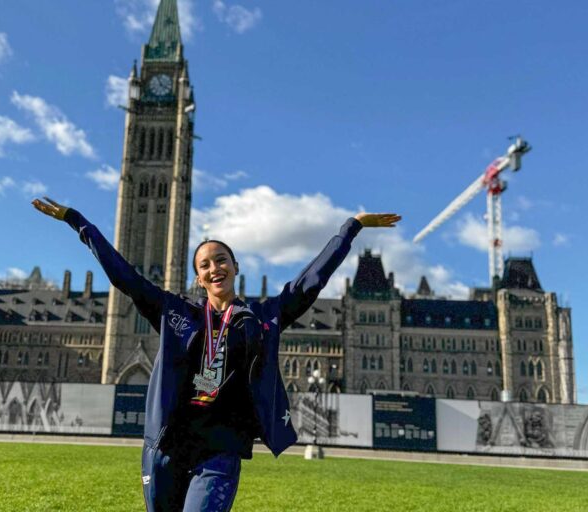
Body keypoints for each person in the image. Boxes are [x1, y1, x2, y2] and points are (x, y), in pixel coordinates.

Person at [32, 197, 400, 512]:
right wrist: (76, 221)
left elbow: (310, 281)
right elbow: (123, 276)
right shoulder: (176, 313)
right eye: (205, 265)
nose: (214, 268)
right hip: (167, 446)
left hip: (220, 451)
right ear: (198, 278)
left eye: (221, 260)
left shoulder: (261, 317)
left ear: (235, 267)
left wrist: (351, 227)